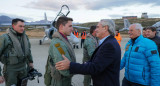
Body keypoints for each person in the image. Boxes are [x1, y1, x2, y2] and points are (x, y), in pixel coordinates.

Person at [55, 19, 121, 86]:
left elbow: (94, 68)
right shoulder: (109, 42)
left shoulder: (109, 45)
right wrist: (87, 63)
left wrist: (70, 65)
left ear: (105, 28)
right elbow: (99, 62)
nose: (95, 30)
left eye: (98, 27)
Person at [0, 18, 34, 86]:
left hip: (23, 68)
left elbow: (28, 51)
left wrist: (30, 62)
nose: (22, 28)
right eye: (20, 26)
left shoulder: (25, 37)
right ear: (13, 26)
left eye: (23, 26)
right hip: (11, 70)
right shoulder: (5, 38)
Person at [44, 16, 76, 86]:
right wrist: (76, 69)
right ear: (61, 26)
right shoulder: (58, 43)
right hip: (60, 82)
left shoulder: (63, 40)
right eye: (70, 26)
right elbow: (64, 70)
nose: (72, 29)